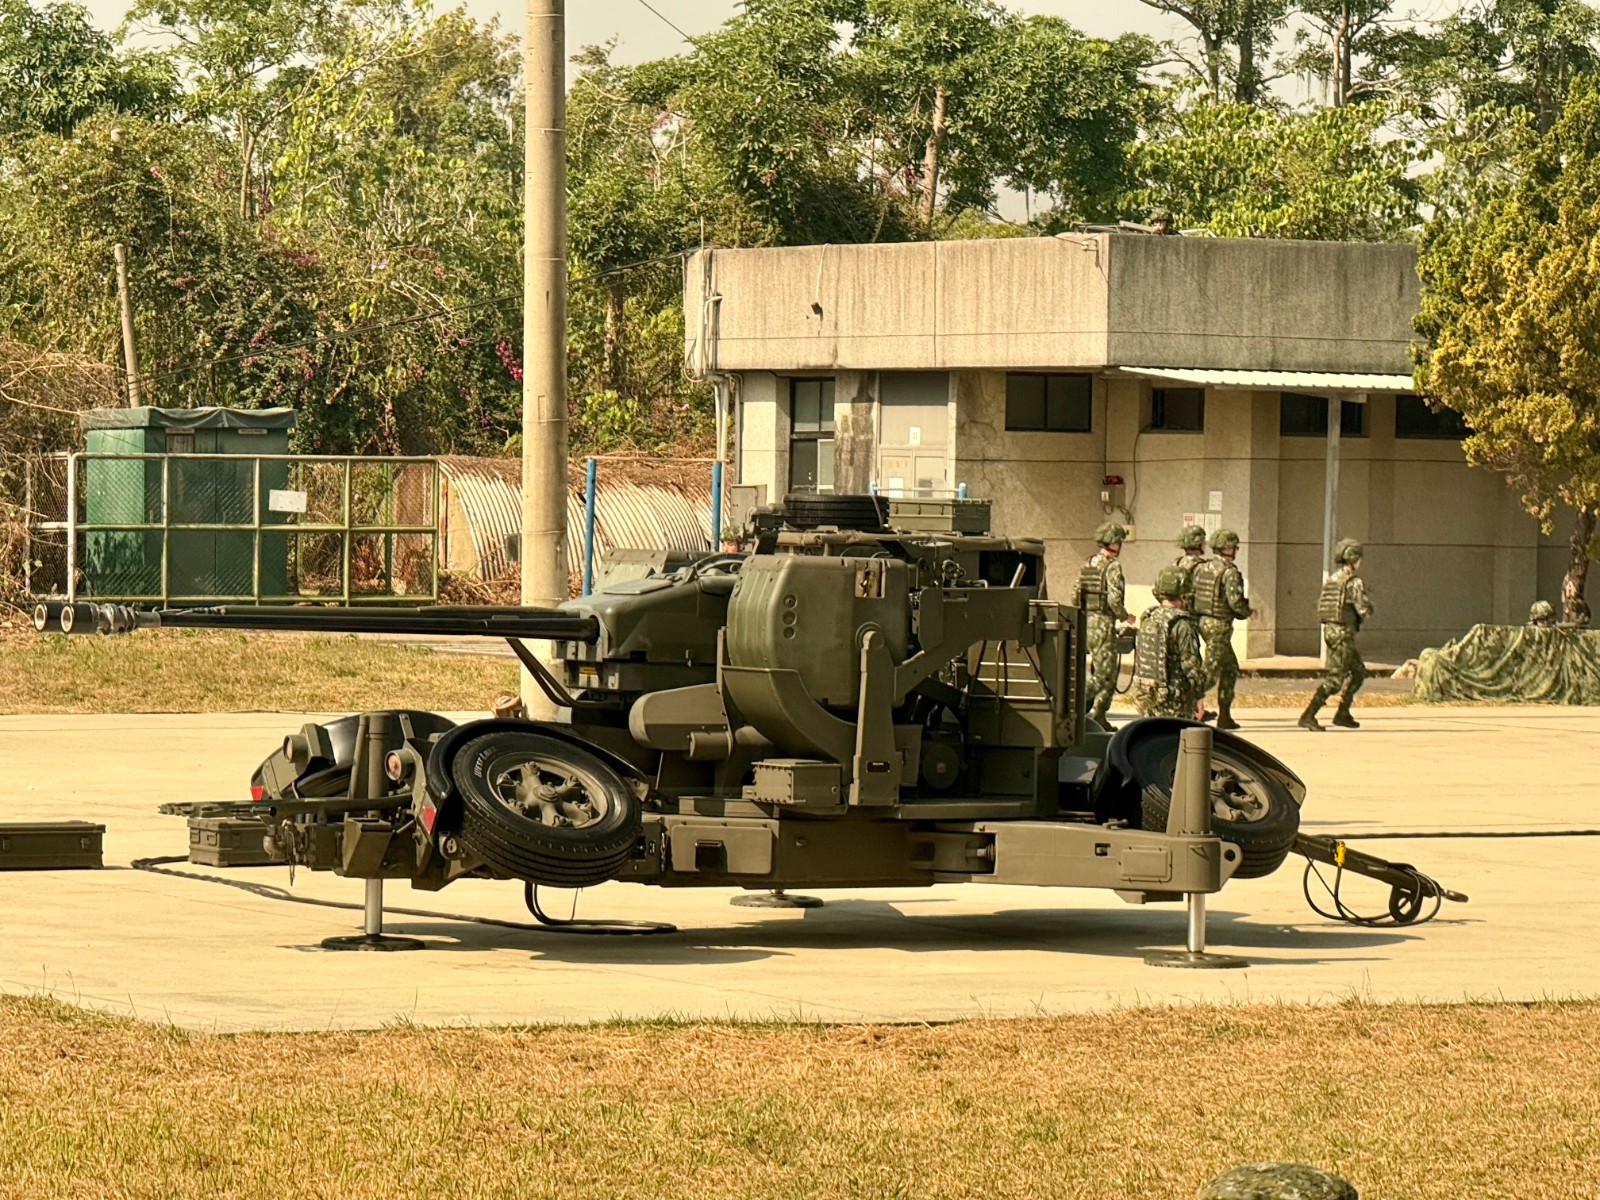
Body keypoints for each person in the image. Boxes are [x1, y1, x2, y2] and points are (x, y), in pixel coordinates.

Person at [1299, 538, 1373, 731]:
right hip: (1342, 634)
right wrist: (1368, 607)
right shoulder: (1354, 582)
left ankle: (1343, 713)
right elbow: (1363, 609)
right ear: (1353, 559)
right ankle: (1308, 715)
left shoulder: (1332, 579)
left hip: (1332, 631)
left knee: (1358, 671)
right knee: (1335, 680)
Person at [1191, 529, 1255, 731]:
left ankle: (1225, 716)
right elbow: (1235, 602)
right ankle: (1186, 704)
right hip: (1219, 626)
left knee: (1230, 668)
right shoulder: (1230, 572)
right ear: (1227, 548)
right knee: (1211, 672)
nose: (1236, 550)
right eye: (1234, 547)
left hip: (1203, 621)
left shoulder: (1202, 568)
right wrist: (1248, 612)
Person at [1079, 522, 1135, 728]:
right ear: (1113, 544)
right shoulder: (1112, 567)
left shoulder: (1088, 564)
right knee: (1106, 674)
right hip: (1103, 623)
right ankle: (1082, 707)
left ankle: (1092, 713)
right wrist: (1125, 616)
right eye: (1119, 542)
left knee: (1098, 669)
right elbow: (1114, 599)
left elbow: (1076, 594)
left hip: (1086, 622)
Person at [1133, 566, 1208, 720]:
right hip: (1173, 700)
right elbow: (1191, 666)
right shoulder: (1182, 624)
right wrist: (1199, 697)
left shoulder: (1148, 618)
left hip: (1146, 697)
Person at [1173, 524, 1209, 610]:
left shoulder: (1177, 562)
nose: (1205, 544)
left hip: (1177, 608)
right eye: (1203, 542)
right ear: (1197, 544)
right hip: (1193, 611)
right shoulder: (1202, 566)